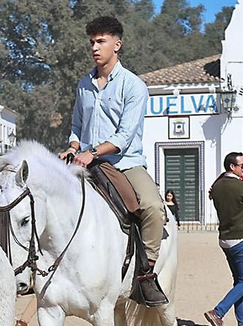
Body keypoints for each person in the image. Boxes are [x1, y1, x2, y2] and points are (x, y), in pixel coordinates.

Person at [60, 15, 168, 307]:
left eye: (101, 41)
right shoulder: (84, 85)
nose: (94, 47)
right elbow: (77, 125)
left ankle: (146, 273)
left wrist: (92, 152)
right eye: (92, 42)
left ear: (117, 45)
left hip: (124, 163)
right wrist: (72, 147)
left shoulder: (133, 86)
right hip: (85, 162)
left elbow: (124, 135)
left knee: (153, 207)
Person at [202, 151, 243, 326]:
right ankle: (218, 312)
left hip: (225, 238)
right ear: (232, 166)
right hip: (241, 238)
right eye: (242, 165)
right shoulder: (241, 186)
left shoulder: (217, 186)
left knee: (238, 281)